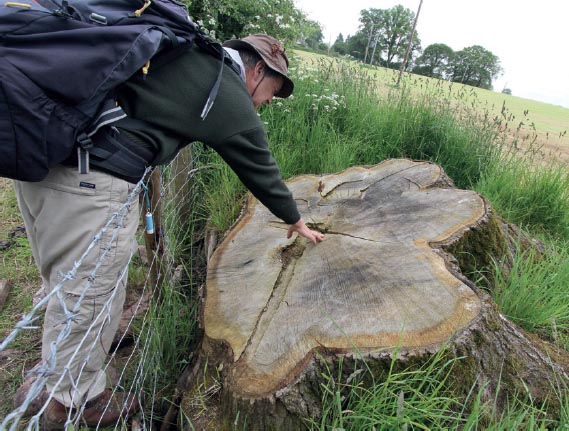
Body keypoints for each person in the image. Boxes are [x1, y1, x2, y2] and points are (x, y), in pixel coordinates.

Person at [13, 33, 324, 428]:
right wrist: (296, 220)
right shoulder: (223, 86)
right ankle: (74, 400)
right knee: (92, 293)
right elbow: (259, 165)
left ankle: (50, 376)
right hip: (91, 180)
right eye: (269, 93)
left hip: (47, 157)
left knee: (66, 281)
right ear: (257, 69)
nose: (263, 105)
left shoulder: (185, 54)